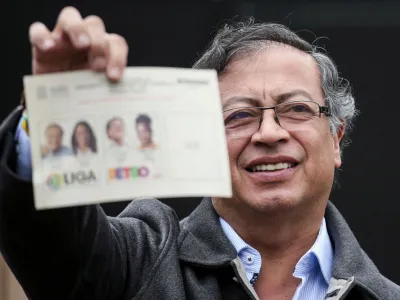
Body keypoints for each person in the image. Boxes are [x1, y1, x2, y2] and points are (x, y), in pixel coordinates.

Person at [0, 6, 398, 300]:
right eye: (239, 115)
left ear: (335, 138)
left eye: (296, 108)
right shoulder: (139, 261)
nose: (269, 133)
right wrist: (52, 117)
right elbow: (49, 246)